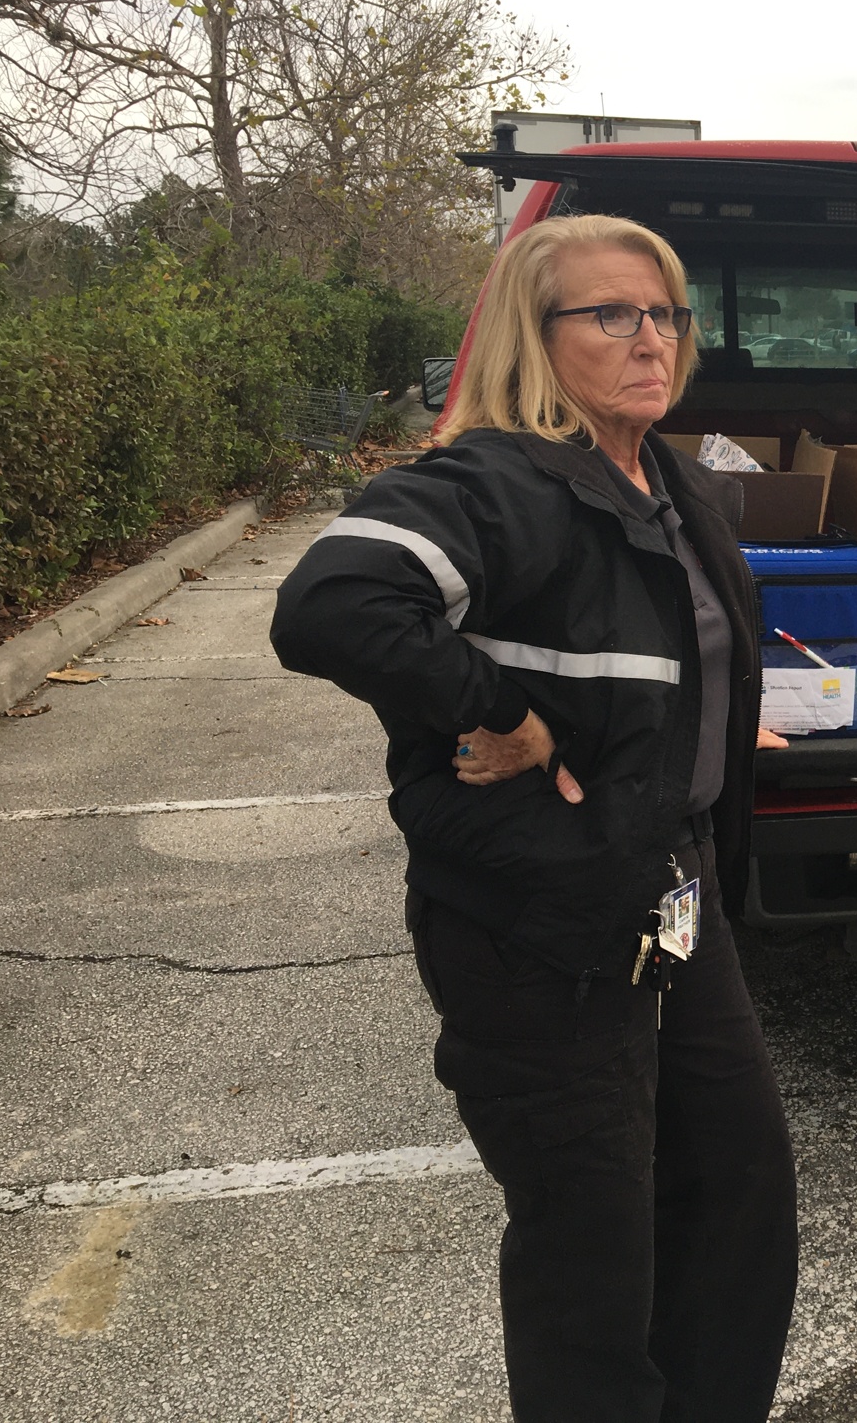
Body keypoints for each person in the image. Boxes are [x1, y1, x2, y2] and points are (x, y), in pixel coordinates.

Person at [271, 214, 797, 1421]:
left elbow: (659, 656)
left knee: (732, 1185)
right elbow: (330, 607)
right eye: (611, 314)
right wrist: (503, 709)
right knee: (591, 1241)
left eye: (664, 314)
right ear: (535, 332)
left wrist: (711, 730)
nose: (649, 340)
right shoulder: (492, 481)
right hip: (534, 920)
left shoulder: (675, 481)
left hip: (668, 887)